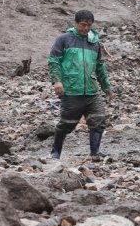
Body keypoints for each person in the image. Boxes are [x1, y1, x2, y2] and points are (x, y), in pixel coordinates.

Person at [48, 10, 113, 161]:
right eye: (83, 25)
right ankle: (55, 152)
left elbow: (100, 68)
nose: (85, 29)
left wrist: (107, 88)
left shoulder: (94, 43)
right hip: (71, 89)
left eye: (89, 26)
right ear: (75, 23)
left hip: (91, 90)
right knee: (67, 123)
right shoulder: (64, 39)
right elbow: (54, 61)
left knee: (98, 120)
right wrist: (57, 81)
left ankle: (95, 152)